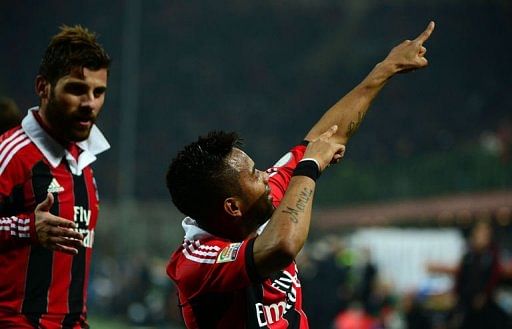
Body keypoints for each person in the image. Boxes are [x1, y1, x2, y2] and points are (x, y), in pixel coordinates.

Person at [165, 22, 435, 328]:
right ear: (232, 207)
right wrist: (309, 169)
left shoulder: (257, 203)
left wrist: (384, 70)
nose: (267, 178)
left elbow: (326, 137)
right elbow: (281, 246)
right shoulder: (195, 262)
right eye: (255, 175)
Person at [0, 25, 111, 328]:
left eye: (98, 92)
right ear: (43, 87)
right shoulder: (10, 154)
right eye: (76, 89)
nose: (89, 103)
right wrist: (25, 227)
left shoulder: (84, 163)